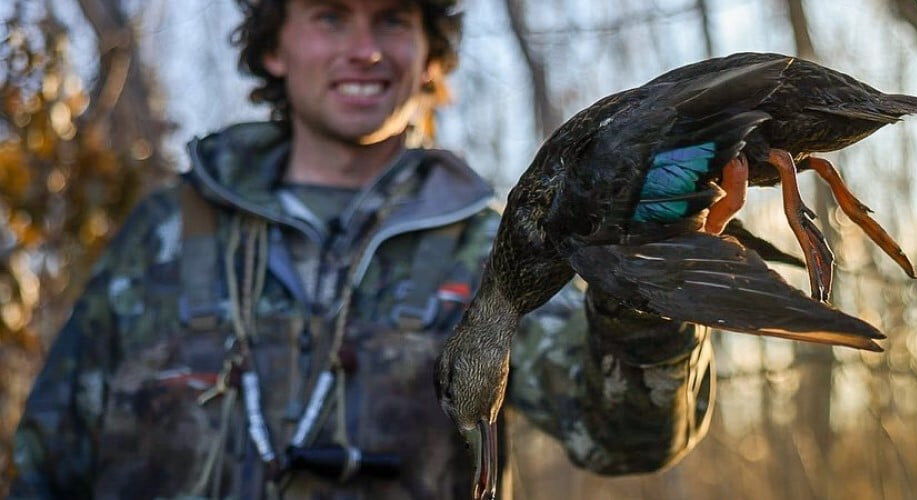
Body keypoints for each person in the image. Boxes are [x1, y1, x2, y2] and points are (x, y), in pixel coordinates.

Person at [10, 0, 714, 497]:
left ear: (431, 52)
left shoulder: (497, 249)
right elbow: (47, 456)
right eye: (329, 14)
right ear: (275, 46)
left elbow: (624, 435)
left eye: (394, 18)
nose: (366, 48)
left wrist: (644, 285)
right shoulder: (164, 230)